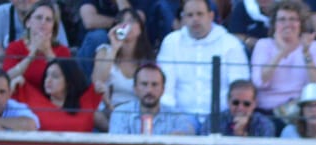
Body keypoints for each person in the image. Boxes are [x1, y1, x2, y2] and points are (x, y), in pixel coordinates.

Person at [157, 0, 249, 130]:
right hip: (182, 117)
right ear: (183, 18)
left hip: (221, 118)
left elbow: (239, 86)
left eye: (200, 14)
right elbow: (166, 87)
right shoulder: (171, 42)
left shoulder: (230, 44)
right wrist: (171, 120)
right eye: (190, 15)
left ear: (210, 16)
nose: (195, 19)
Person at [250, 0, 316, 119]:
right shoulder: (263, 45)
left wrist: (306, 53)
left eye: (293, 19)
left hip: (300, 112)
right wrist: (282, 52)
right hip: (268, 112)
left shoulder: (313, 46)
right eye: (282, 19)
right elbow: (260, 82)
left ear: (300, 23)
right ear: (274, 24)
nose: (287, 24)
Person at [91, 6, 152, 128]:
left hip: (137, 114)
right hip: (109, 112)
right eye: (121, 22)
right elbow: (97, 81)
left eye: (131, 21)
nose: (125, 25)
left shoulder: (148, 58)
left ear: (140, 29)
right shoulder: (104, 50)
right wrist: (114, 47)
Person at [3, 1, 71, 103]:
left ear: (53, 27)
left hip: (51, 103)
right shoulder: (15, 47)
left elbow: (68, 83)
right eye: (39, 17)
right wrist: (31, 56)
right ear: (28, 22)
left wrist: (48, 52)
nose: (43, 22)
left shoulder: (63, 51)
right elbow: (6, 78)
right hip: (22, 102)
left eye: (48, 20)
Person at [105, 59, 196, 132]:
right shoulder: (120, 113)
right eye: (144, 84)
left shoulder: (176, 117)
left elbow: (188, 134)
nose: (149, 90)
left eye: (155, 84)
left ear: (163, 90)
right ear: (135, 89)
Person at [26, 56, 102, 130]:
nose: (48, 80)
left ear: (68, 81)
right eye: (47, 75)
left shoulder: (84, 103)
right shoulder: (36, 101)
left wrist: (102, 91)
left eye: (55, 76)